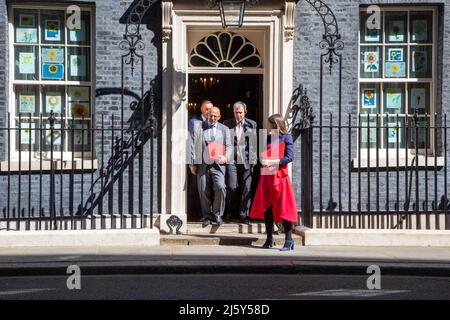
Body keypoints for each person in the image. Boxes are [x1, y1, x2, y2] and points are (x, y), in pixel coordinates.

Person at [249, 114, 298, 251]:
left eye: (271, 124)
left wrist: (273, 161)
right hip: (267, 175)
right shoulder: (269, 138)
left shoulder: (286, 137)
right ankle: (269, 238)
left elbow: (290, 157)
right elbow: (265, 154)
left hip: (280, 176)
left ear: (277, 124)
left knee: (284, 207)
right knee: (267, 208)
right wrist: (263, 161)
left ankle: (289, 240)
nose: (269, 126)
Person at [190, 107, 232, 227]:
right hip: (202, 164)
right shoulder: (199, 127)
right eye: (210, 115)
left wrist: (225, 157)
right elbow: (193, 145)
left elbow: (229, 146)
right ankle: (207, 216)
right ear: (207, 115)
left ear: (219, 117)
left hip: (218, 165)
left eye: (215, 116)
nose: (212, 118)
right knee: (203, 190)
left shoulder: (225, 129)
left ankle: (218, 214)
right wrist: (192, 163)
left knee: (221, 187)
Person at [223, 101, 257, 224]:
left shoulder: (252, 124)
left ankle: (243, 214)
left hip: (247, 161)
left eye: (241, 113)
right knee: (232, 186)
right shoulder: (227, 124)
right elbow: (225, 142)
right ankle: (229, 211)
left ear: (245, 112)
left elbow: (253, 143)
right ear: (233, 112)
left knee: (246, 188)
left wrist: (253, 161)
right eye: (236, 112)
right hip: (232, 160)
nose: (238, 115)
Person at [188, 100, 213, 220]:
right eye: (206, 109)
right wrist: (191, 162)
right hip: (198, 160)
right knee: (197, 187)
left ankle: (210, 213)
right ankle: (199, 213)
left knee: (211, 186)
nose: (209, 111)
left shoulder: (215, 122)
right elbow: (191, 142)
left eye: (210, 109)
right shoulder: (194, 122)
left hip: (212, 161)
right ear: (201, 110)